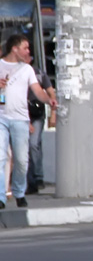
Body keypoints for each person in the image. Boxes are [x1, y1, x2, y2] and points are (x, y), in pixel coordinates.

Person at [0, 35, 57, 209]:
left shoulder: (27, 70)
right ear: (14, 49)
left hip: (21, 119)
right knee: (1, 158)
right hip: (1, 117)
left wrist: (49, 100)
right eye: (25, 48)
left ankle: (19, 192)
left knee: (22, 159)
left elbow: (38, 91)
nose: (28, 52)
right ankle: (1, 197)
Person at [25, 65, 55, 195]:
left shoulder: (39, 74)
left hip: (36, 114)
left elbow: (49, 93)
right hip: (20, 115)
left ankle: (37, 178)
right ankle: (29, 181)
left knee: (33, 144)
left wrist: (53, 113)